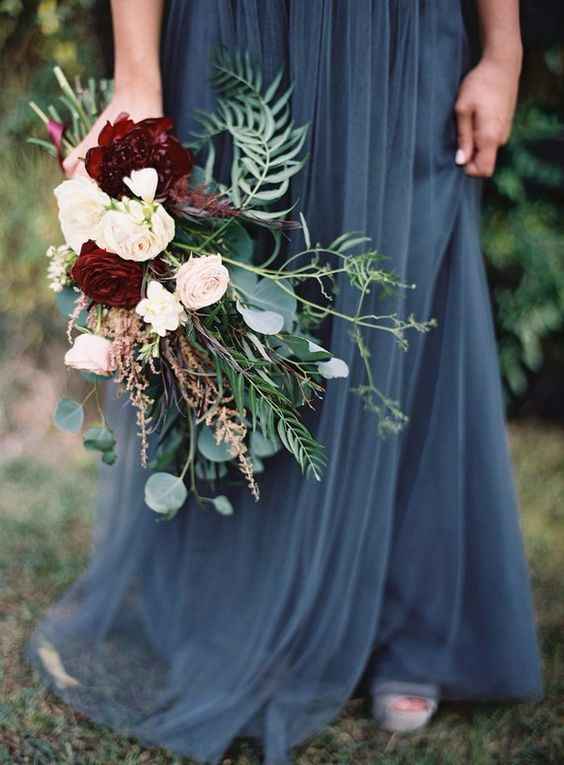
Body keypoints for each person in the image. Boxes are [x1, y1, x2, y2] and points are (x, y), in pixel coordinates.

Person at [29, 2, 543, 763]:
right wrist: (138, 72)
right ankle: (243, 609)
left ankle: (408, 618)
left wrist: (504, 48)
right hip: (238, 23)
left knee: (397, 291)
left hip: (395, 36)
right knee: (239, 281)